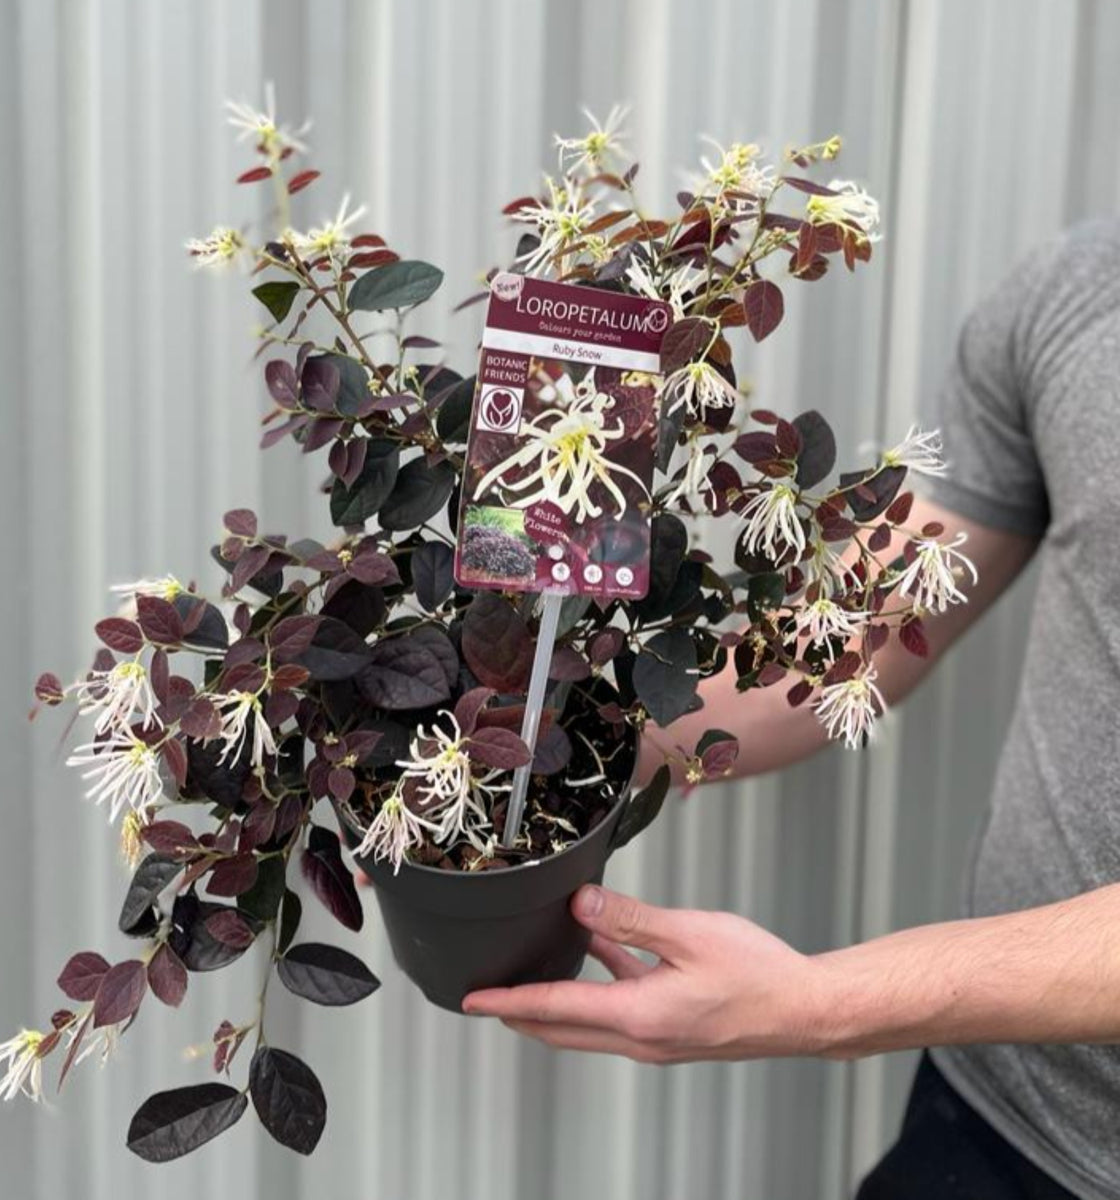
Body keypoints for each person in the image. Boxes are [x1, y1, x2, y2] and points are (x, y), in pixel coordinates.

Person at [463, 219, 1120, 1200]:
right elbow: (842, 643)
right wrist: (519, 721)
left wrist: (820, 1005)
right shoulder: (1082, 292)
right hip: (1001, 1112)